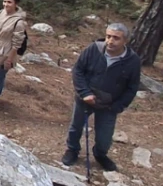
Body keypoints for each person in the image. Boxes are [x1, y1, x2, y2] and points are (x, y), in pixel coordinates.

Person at [60, 23, 141, 172]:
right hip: (85, 98)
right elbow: (78, 70)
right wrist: (84, 93)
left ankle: (100, 154)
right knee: (75, 127)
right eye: (108, 36)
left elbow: (132, 87)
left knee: (105, 136)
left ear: (125, 41)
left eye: (116, 38)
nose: (110, 41)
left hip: (109, 104)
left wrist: (118, 106)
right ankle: (72, 150)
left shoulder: (133, 61)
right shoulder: (94, 49)